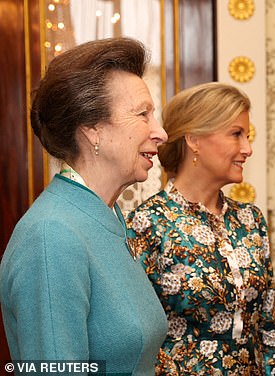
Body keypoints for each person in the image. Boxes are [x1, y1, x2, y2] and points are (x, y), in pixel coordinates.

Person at [0, 38, 169, 374]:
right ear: (92, 129)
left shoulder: (107, 218)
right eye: (142, 114)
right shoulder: (52, 237)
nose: (160, 132)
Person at [126, 82, 275, 375]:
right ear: (194, 139)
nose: (247, 149)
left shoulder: (251, 220)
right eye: (236, 134)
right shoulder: (148, 223)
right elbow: (136, 335)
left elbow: (268, 325)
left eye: (247, 136)